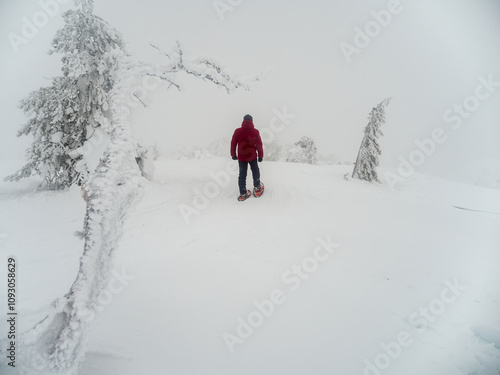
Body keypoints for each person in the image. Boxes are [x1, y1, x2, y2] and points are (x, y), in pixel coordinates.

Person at [230, 114, 264, 200]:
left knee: (242, 175)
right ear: (252, 121)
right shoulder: (255, 132)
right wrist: (260, 156)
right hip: (252, 157)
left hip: (242, 158)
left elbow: (233, 144)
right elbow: (259, 145)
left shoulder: (237, 131)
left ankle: (243, 193)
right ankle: (257, 188)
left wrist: (233, 154)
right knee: (255, 170)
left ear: (243, 121)